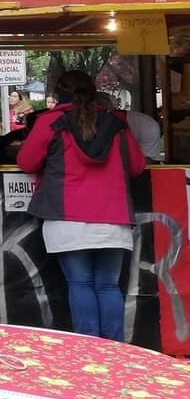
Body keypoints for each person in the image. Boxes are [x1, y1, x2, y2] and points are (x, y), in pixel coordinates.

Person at [17, 70, 144, 341]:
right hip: (113, 216)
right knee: (108, 286)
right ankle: (115, 350)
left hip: (66, 217)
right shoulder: (117, 123)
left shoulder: (51, 122)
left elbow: (26, 162)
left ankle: (89, 349)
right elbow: (137, 166)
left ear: (58, 92)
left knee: (80, 284)